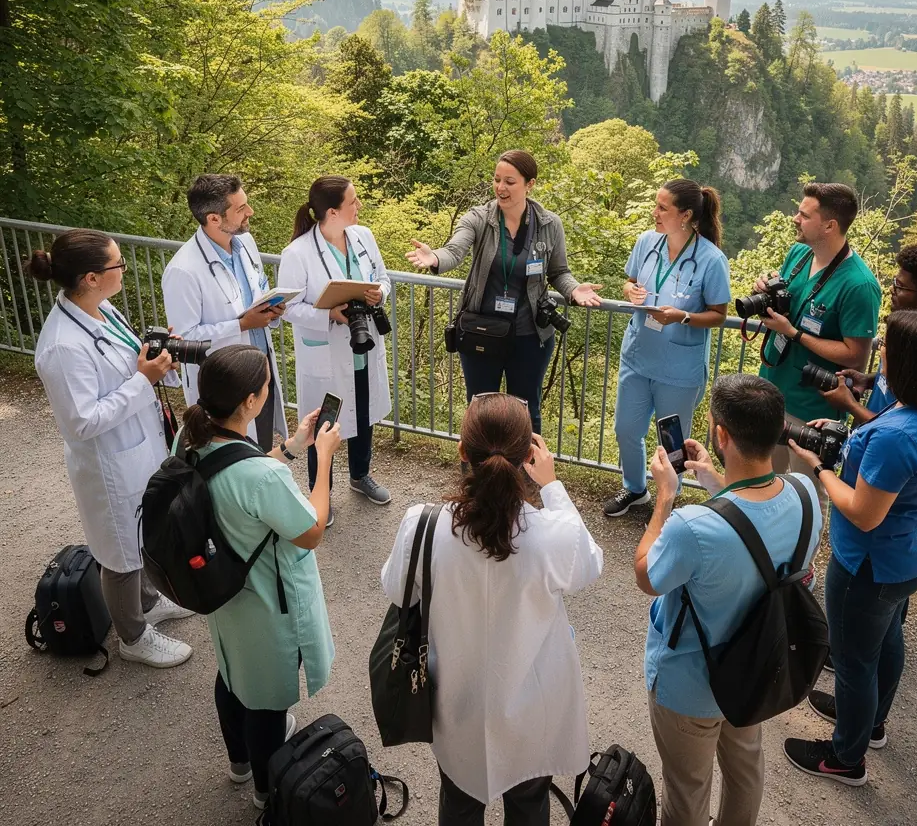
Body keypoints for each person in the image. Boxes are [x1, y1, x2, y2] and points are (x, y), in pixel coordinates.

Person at [381, 393, 603, 826]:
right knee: (530, 804)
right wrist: (552, 486)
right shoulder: (555, 535)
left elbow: (397, 590)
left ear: (462, 451)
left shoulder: (422, 525)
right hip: (533, 711)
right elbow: (591, 565)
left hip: (455, 704)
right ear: (528, 457)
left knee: (459, 803)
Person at [783, 309, 917, 786]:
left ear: (909, 364)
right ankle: (871, 722)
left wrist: (819, 467)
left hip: (869, 562)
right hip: (911, 551)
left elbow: (864, 513)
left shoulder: (898, 436)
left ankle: (845, 757)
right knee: (885, 639)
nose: (880, 354)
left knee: (853, 660)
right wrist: (848, 437)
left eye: (886, 349)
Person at [635, 374, 822, 826]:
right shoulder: (805, 495)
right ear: (777, 430)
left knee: (687, 792)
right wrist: (712, 478)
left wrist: (665, 497)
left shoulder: (692, 528)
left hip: (692, 685)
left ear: (721, 435)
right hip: (756, 667)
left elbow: (647, 575)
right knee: (745, 770)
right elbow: (754, 519)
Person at [176, 344, 343, 810]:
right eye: (267, 385)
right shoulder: (264, 477)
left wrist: (292, 447)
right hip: (267, 599)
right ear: (250, 401)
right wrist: (324, 458)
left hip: (223, 586)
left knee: (232, 671)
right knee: (267, 697)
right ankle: (267, 795)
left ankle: (239, 763)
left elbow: (237, 471)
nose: (269, 390)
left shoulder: (190, 439)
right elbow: (312, 530)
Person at [29, 230, 194, 668]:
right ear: (90, 277)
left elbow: (129, 363)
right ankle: (133, 637)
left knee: (144, 533)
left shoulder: (102, 309)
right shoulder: (62, 346)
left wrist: (156, 360)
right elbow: (81, 421)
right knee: (120, 552)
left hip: (138, 447)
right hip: (109, 466)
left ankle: (148, 601)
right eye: (117, 264)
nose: (124, 269)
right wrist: (144, 381)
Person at [405, 150, 603, 434]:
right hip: (481, 331)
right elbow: (454, 250)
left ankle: (528, 463)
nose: (500, 187)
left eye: (510, 182)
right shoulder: (479, 218)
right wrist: (434, 257)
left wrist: (573, 289)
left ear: (529, 184)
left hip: (529, 335)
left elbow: (558, 272)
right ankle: (479, 463)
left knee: (525, 411)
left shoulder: (549, 224)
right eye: (497, 179)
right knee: (480, 409)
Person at [604, 178, 731, 517]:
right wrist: (631, 291)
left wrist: (683, 316)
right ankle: (635, 489)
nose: (655, 212)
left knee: (673, 443)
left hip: (678, 369)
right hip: (637, 357)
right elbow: (630, 281)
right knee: (626, 430)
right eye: (656, 205)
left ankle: (667, 501)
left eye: (663, 208)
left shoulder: (711, 259)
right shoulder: (647, 242)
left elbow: (719, 315)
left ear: (686, 215)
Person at [278, 175, 394, 517]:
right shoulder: (297, 253)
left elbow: (383, 278)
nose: (359, 206)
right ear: (332, 212)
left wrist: (379, 294)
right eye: (353, 202)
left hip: (363, 344)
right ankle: (321, 492)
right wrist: (328, 314)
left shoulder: (363, 237)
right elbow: (287, 308)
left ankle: (360, 475)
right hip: (326, 353)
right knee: (323, 423)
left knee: (364, 413)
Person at [753, 182, 881, 478]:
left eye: (805, 215)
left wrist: (795, 333)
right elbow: (788, 302)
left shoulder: (859, 285)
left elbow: (855, 357)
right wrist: (765, 293)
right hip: (771, 391)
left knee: (808, 488)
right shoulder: (799, 253)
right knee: (763, 480)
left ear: (829, 226)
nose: (795, 219)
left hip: (813, 411)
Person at [162, 174, 288, 451]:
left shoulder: (246, 243)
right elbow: (185, 340)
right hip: (224, 385)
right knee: (234, 455)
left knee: (261, 447)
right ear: (214, 219)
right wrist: (241, 325)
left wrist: (272, 309)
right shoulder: (183, 271)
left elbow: (259, 286)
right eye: (241, 208)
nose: (250, 212)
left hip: (259, 370)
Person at [820, 242, 917, 436]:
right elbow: (911, 385)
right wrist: (869, 380)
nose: (891, 289)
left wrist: (851, 406)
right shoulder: (912, 331)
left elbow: (916, 433)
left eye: (900, 286)